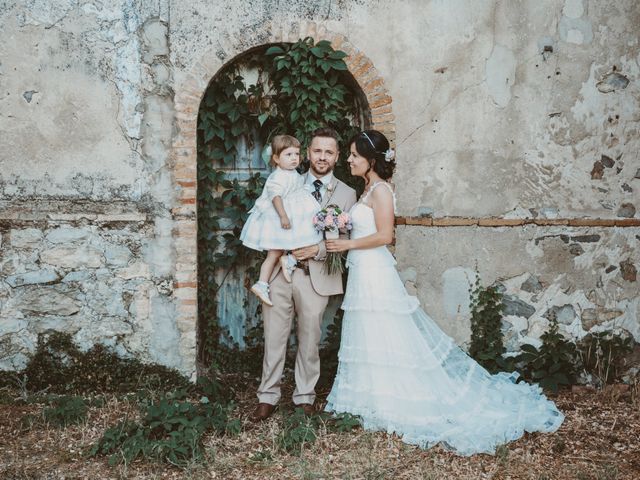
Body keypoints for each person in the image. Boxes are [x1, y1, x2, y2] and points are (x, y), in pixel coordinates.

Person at [323, 130, 564, 456]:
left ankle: (399, 396)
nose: (349, 159)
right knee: (370, 330)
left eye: (354, 155)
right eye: (349, 154)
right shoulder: (366, 190)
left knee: (386, 327)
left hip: (375, 270)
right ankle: (375, 396)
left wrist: (347, 242)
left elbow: (385, 235)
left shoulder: (380, 191)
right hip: (363, 269)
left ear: (371, 160)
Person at [250, 127, 357, 422]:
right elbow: (268, 217)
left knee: (310, 339)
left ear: (337, 157)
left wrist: (317, 250)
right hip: (280, 273)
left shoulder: (347, 194)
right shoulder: (286, 180)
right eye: (317, 150)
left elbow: (347, 239)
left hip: (316, 275)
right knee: (273, 336)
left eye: (329, 152)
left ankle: (304, 397)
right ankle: (267, 396)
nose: (322, 157)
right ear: (308, 152)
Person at [240, 134, 322, 306]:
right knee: (274, 253)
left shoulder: (292, 173)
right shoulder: (277, 177)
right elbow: (276, 197)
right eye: (288, 155)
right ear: (276, 158)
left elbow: (297, 186)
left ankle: (290, 259)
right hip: (278, 218)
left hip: (292, 215)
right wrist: (283, 216)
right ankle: (262, 283)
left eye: (296, 154)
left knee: (303, 237)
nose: (294, 158)